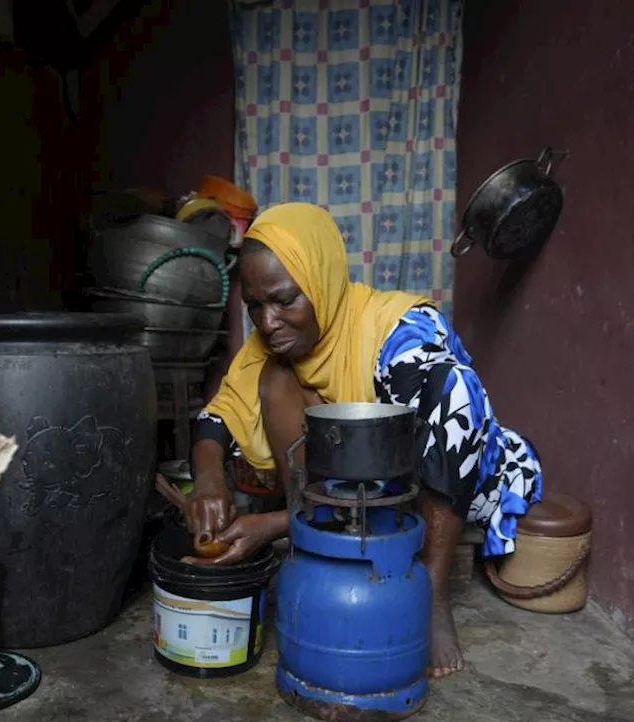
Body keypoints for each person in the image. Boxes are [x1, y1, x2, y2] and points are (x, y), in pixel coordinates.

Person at [182, 202, 542, 677]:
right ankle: (308, 534)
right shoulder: (267, 348)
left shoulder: (395, 328)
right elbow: (216, 419)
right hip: (344, 494)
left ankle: (431, 591)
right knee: (274, 378)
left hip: (433, 484)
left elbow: (455, 408)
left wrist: (268, 525)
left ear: (322, 283)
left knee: (453, 389)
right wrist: (208, 482)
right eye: (254, 305)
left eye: (285, 299)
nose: (267, 322)